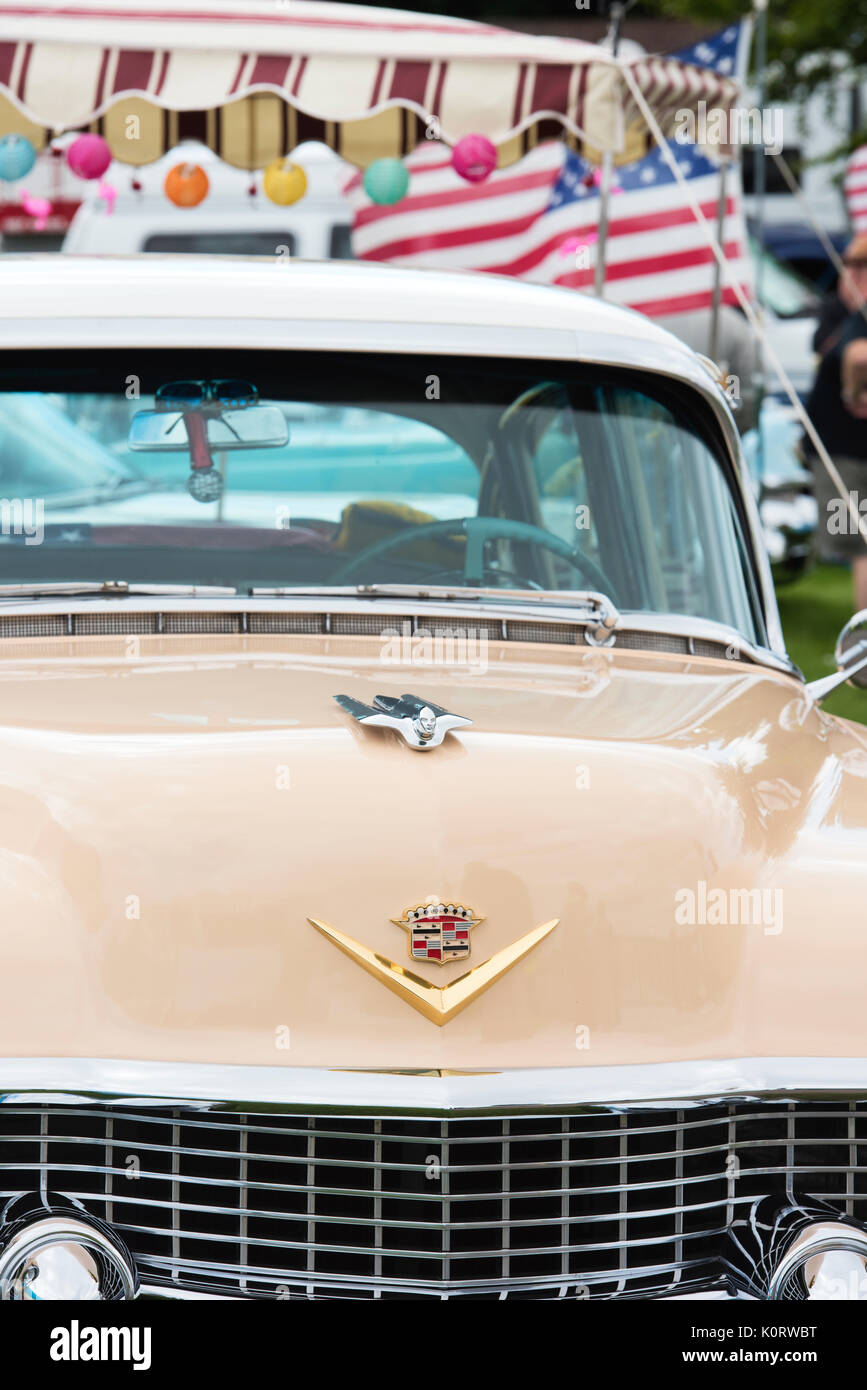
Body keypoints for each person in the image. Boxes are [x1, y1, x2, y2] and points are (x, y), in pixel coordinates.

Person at [804, 235, 867, 610]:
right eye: (851, 265)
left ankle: (861, 642)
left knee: (858, 545)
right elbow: (822, 346)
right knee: (853, 541)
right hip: (839, 448)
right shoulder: (840, 312)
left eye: (860, 266)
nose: (853, 273)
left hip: (848, 452)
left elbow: (857, 356)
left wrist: (852, 388)